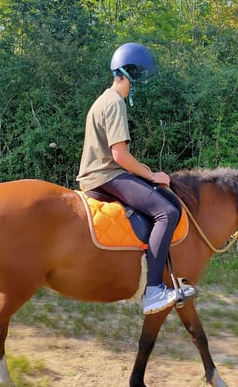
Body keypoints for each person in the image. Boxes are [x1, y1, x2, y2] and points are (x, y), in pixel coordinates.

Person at [77, 42, 185, 314]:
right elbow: (120, 156)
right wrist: (152, 175)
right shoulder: (115, 103)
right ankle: (153, 291)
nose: (140, 82)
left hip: (101, 173)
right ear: (131, 74)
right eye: (139, 76)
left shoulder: (104, 99)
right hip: (105, 175)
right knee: (166, 211)